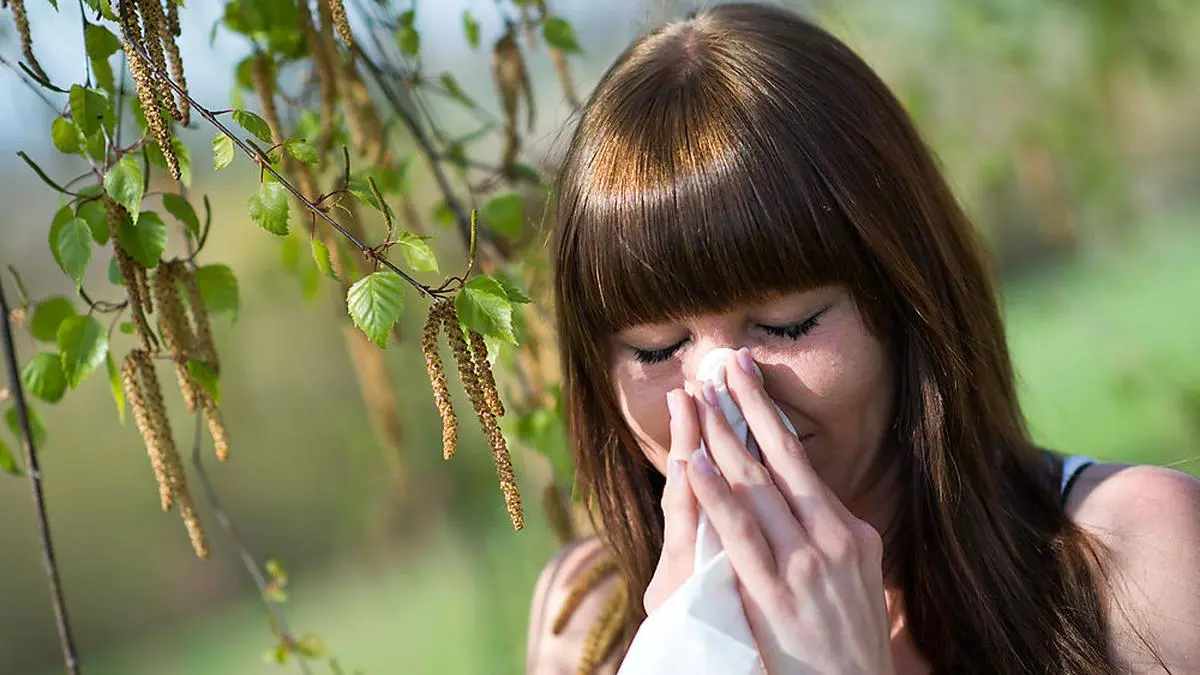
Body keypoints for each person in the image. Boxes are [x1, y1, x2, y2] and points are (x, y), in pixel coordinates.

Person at [524, 3, 1200, 674]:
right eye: (657, 347)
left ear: (907, 301)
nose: (721, 390)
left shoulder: (1137, 558)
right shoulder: (586, 624)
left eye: (786, 323)